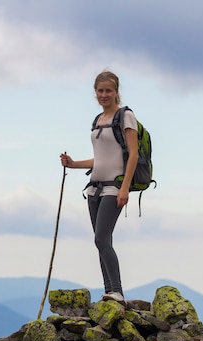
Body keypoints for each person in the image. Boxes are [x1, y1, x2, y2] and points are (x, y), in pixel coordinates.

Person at [60, 71, 139, 304]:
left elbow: (132, 155)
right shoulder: (98, 120)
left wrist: (125, 188)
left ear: (116, 92)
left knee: (102, 238)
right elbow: (101, 159)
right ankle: (110, 291)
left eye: (108, 90)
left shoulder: (125, 116)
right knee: (100, 240)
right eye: (100, 91)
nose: (104, 95)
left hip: (114, 187)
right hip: (94, 188)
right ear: (95, 93)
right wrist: (73, 164)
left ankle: (117, 291)